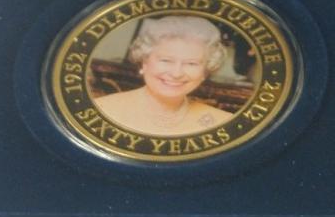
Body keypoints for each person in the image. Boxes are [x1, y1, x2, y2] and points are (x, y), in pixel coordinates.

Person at [94, 15, 235, 136]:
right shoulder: (103, 111)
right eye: (166, 61)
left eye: (191, 63)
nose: (176, 73)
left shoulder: (222, 122)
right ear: (144, 62)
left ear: (205, 71)